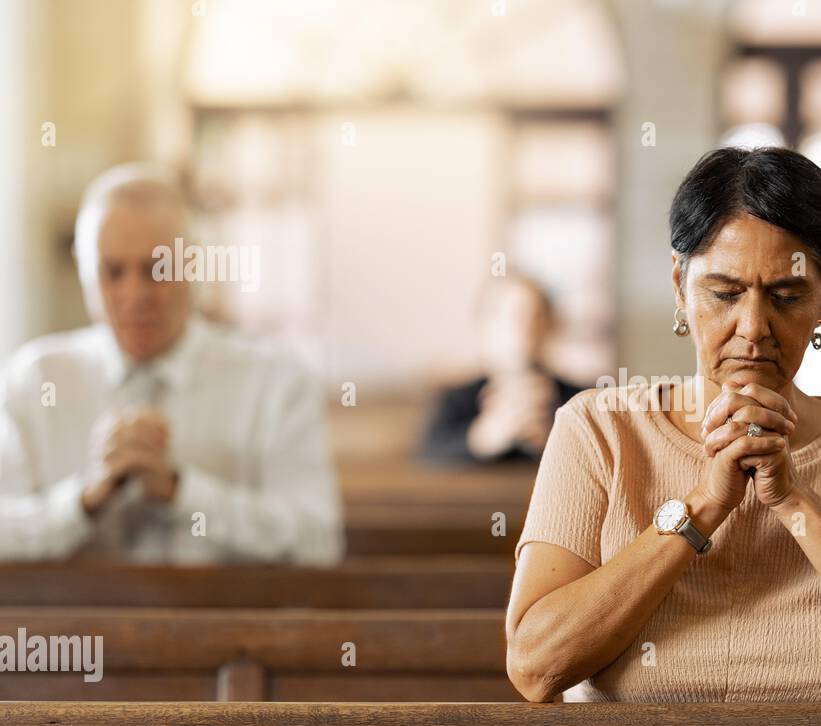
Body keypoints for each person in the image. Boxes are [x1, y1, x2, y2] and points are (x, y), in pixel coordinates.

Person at [507, 147, 821, 705]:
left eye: (787, 296)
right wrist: (705, 504)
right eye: (725, 294)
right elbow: (536, 668)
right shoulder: (599, 428)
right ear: (680, 286)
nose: (753, 328)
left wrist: (795, 501)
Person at [0, 163, 343, 564]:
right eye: (112, 271)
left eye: (156, 269)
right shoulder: (35, 379)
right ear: (83, 269)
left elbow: (318, 542)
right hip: (67, 629)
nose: (134, 294)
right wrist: (83, 501)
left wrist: (182, 492)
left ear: (193, 264)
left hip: (231, 626)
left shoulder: (277, 379)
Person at [421, 276, 582, 464]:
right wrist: (485, 437)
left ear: (549, 326)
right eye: (513, 317)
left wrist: (552, 443)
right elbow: (427, 453)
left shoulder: (578, 401)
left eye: (535, 317)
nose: (524, 330)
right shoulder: (455, 400)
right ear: (485, 327)